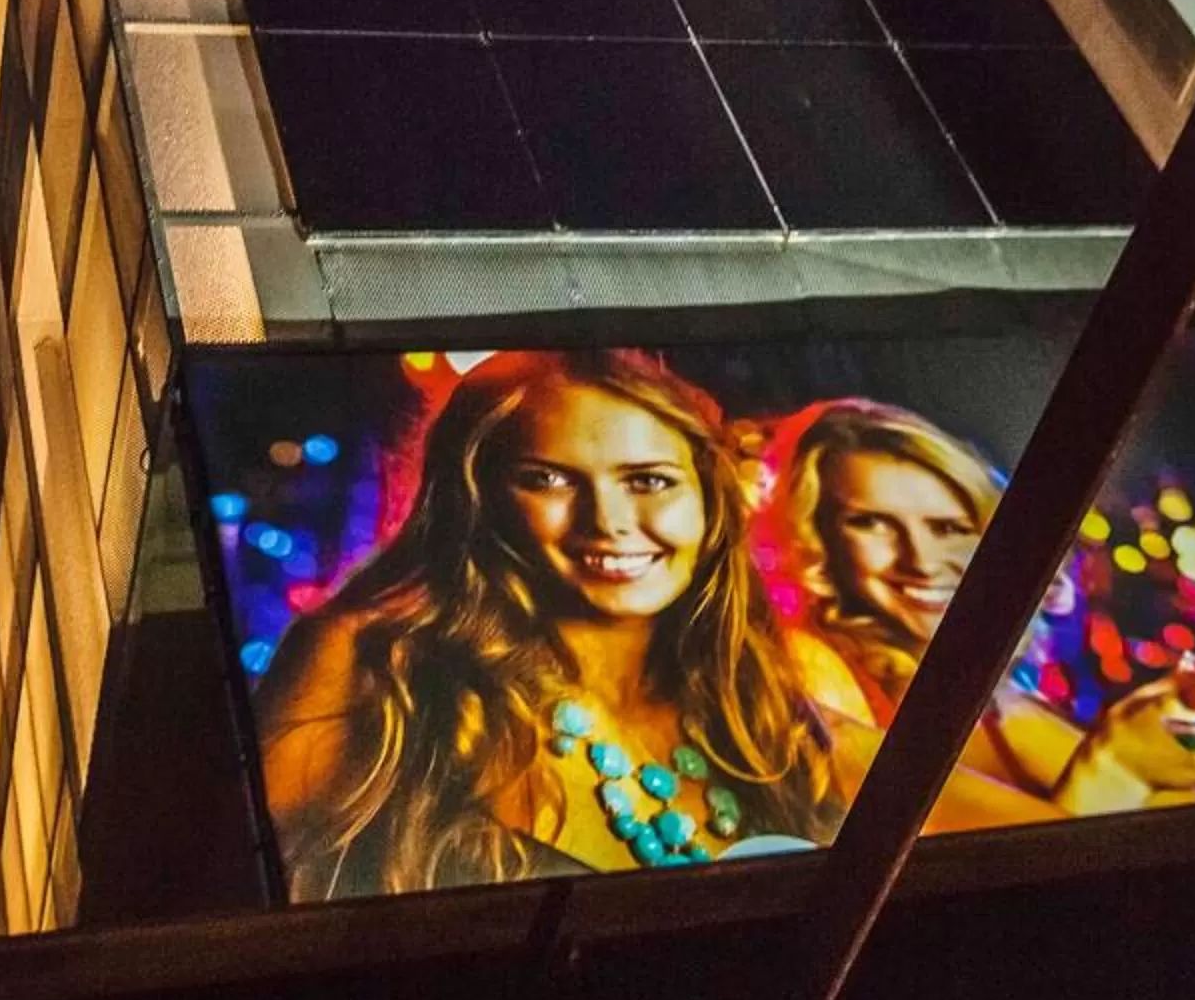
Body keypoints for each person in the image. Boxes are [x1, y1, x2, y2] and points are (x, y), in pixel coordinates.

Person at [257, 350, 1044, 898]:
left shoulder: (761, 697)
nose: (609, 522)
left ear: (709, 502)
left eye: (649, 481)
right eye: (548, 479)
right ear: (480, 498)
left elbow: (1042, 841)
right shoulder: (374, 662)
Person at [773, 401, 1195, 817]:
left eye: (948, 528)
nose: (923, 562)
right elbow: (1007, 873)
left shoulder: (995, 695)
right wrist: (1115, 766)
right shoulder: (809, 669)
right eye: (871, 523)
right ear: (815, 540)